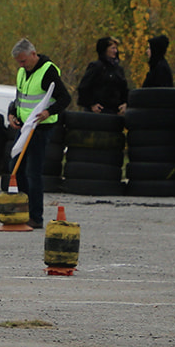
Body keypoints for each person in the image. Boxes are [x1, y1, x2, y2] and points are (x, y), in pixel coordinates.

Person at [7, 38, 70, 229]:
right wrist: (11, 113)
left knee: (33, 172)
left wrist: (48, 112)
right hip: (25, 126)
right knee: (15, 166)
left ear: (33, 54)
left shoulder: (48, 71)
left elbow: (65, 98)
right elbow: (19, 97)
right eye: (19, 62)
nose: (21, 65)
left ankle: (36, 216)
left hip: (40, 128)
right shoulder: (21, 72)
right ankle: (23, 211)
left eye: (24, 61)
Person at [76, 36, 128, 114]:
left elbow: (124, 89)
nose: (115, 51)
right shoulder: (96, 67)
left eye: (116, 48)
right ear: (105, 50)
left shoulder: (118, 69)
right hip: (98, 112)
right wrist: (91, 104)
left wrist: (125, 103)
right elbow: (83, 87)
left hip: (114, 112)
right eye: (113, 48)